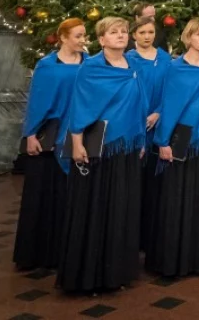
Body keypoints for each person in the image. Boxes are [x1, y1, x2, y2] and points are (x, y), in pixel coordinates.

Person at [58, 17, 148, 293]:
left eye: (123, 32)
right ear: (102, 40)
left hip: (128, 147)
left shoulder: (133, 65)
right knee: (96, 208)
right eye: (113, 32)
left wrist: (141, 139)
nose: (121, 36)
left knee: (121, 208)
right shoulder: (92, 67)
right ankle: (89, 276)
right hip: (100, 147)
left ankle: (116, 272)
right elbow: (80, 106)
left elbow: (139, 106)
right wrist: (76, 143)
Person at [145, 19, 199, 277]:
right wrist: (163, 141)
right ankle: (170, 261)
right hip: (178, 141)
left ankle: (196, 259)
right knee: (175, 198)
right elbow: (167, 104)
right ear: (188, 37)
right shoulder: (175, 67)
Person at [14, 18, 86, 271]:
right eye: (77, 36)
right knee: (42, 196)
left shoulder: (88, 65)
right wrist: (31, 134)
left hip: (77, 136)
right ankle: (35, 253)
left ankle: (63, 252)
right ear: (63, 37)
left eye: (84, 35)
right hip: (47, 137)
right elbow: (36, 102)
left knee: (69, 198)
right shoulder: (47, 65)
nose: (82, 40)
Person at [125, 17, 171, 251]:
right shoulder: (127, 60)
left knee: (157, 182)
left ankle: (154, 234)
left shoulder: (165, 59)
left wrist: (159, 113)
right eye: (142, 32)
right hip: (135, 124)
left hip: (159, 125)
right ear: (133, 35)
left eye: (150, 31)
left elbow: (172, 90)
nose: (146, 36)